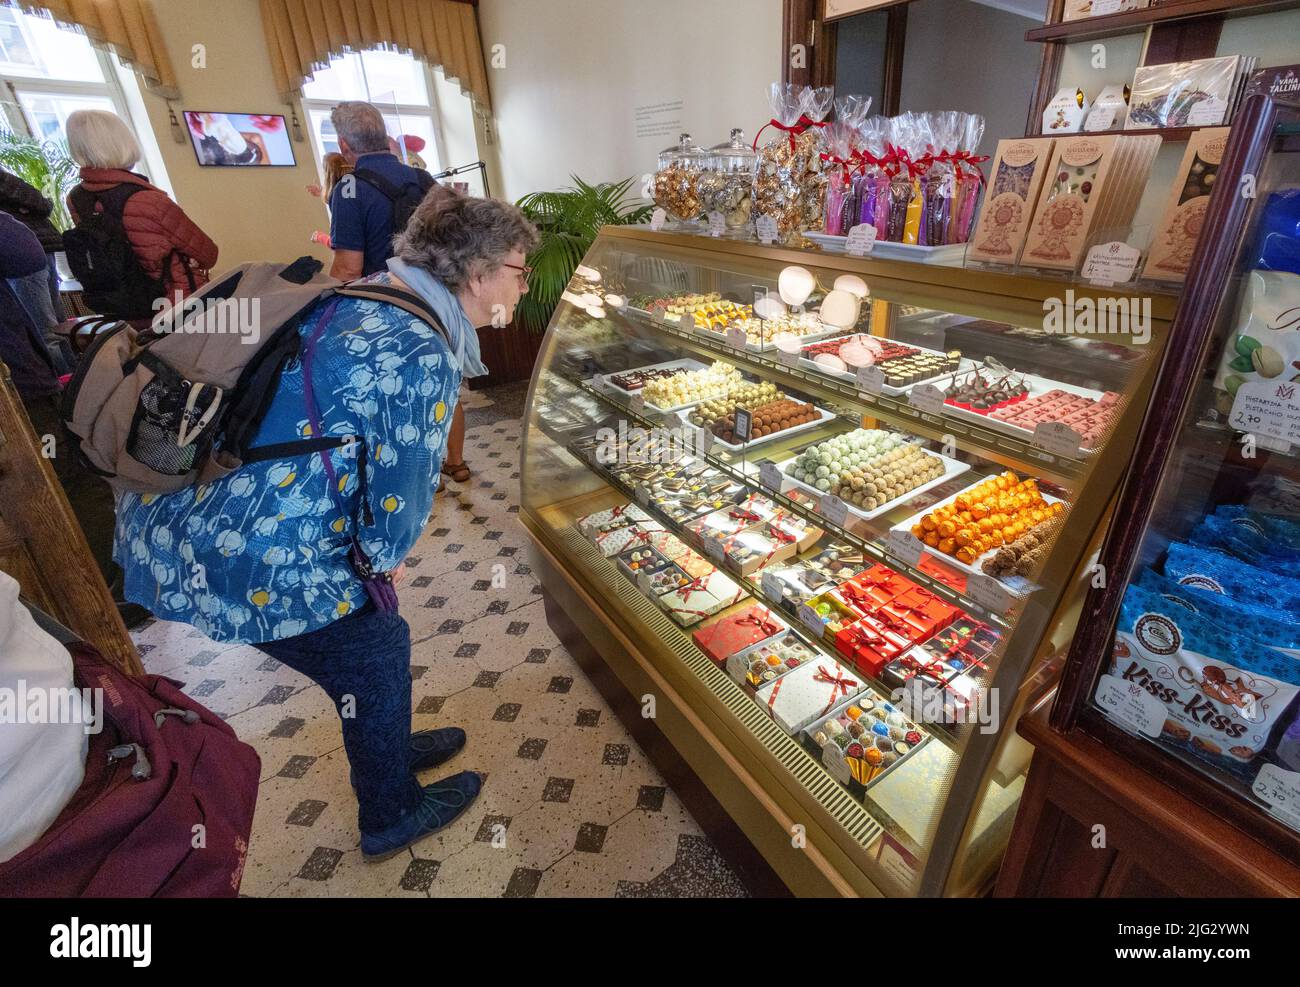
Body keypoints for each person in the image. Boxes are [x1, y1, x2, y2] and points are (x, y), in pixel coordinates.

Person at [114, 188, 539, 859]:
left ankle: (387, 741)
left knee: (370, 646)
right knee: (372, 650)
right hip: (231, 539)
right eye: (520, 270)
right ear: (478, 272)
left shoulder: (378, 290)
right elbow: (398, 494)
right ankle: (391, 812)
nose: (523, 284)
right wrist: (379, 558)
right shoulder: (420, 346)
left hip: (184, 507)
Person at [0, 213, 118, 591]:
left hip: (22, 381)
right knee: (72, 481)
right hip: (20, 390)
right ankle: (106, 589)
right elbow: (26, 252)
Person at [65, 110, 218, 311]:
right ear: (123, 141)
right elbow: (208, 254)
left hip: (122, 307)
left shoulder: (75, 199)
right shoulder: (148, 200)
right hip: (178, 305)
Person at [326, 101, 432, 281]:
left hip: (388, 297)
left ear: (343, 145)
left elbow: (348, 270)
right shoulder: (422, 178)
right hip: (435, 293)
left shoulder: (349, 188)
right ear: (385, 137)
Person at [0, 167, 66, 327]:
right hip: (36, 248)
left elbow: (44, 204)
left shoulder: (5, 181)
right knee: (57, 324)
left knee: (45, 327)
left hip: (23, 253)